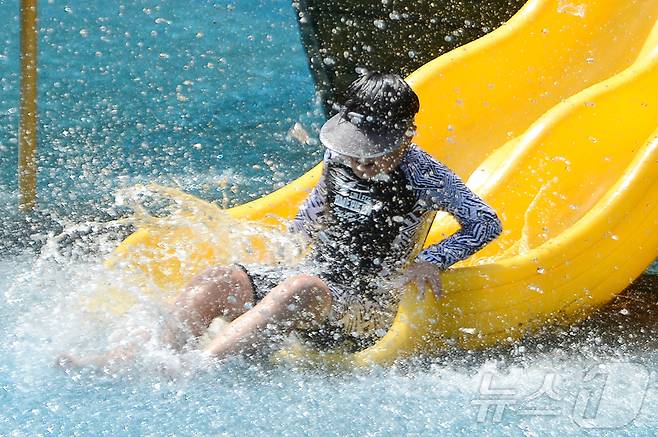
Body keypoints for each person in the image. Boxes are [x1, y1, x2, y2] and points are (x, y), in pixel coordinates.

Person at [58, 72, 502, 369]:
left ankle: (195, 371)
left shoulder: (423, 175)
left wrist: (433, 259)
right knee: (219, 279)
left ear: (407, 136)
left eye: (374, 150)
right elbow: (318, 205)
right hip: (316, 282)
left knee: (300, 287)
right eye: (354, 146)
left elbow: (485, 222)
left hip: (363, 311)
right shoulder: (339, 156)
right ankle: (130, 358)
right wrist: (289, 242)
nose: (360, 160)